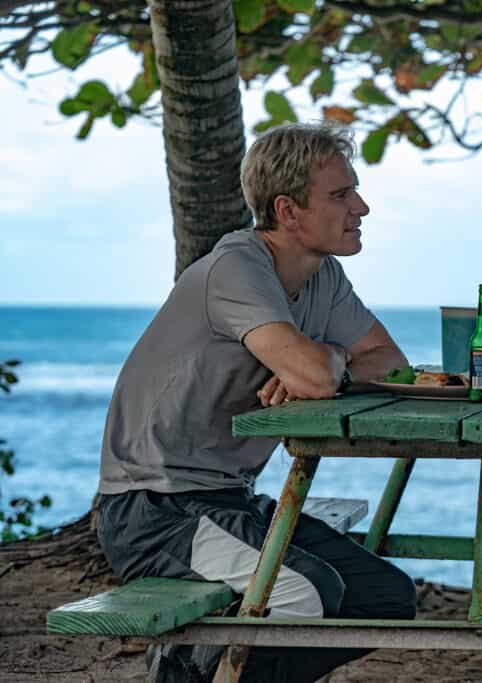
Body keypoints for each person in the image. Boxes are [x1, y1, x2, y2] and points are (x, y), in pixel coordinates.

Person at [95, 122, 417, 682]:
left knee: (383, 598)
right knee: (306, 593)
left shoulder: (324, 277)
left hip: (227, 500)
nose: (361, 207)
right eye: (341, 195)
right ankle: (188, 669)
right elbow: (318, 375)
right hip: (155, 510)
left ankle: (203, 667)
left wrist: (322, 362)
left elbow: (391, 363)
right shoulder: (237, 268)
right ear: (288, 212)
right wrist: (325, 365)